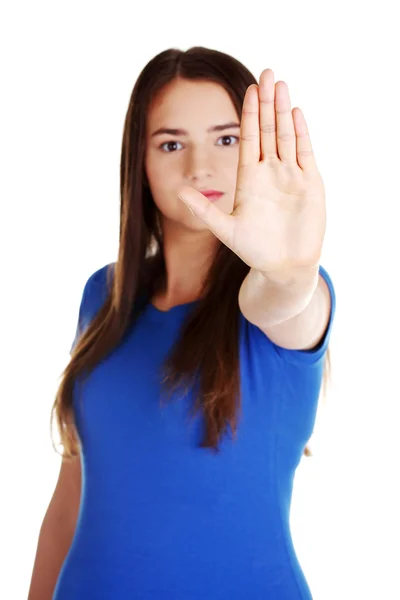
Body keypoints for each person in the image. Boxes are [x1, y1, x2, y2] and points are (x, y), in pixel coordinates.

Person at [28, 46, 336, 600]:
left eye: (226, 140)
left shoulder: (282, 300)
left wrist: (290, 270)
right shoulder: (105, 294)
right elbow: (74, 489)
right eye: (172, 143)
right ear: (140, 162)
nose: (200, 167)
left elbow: (286, 300)